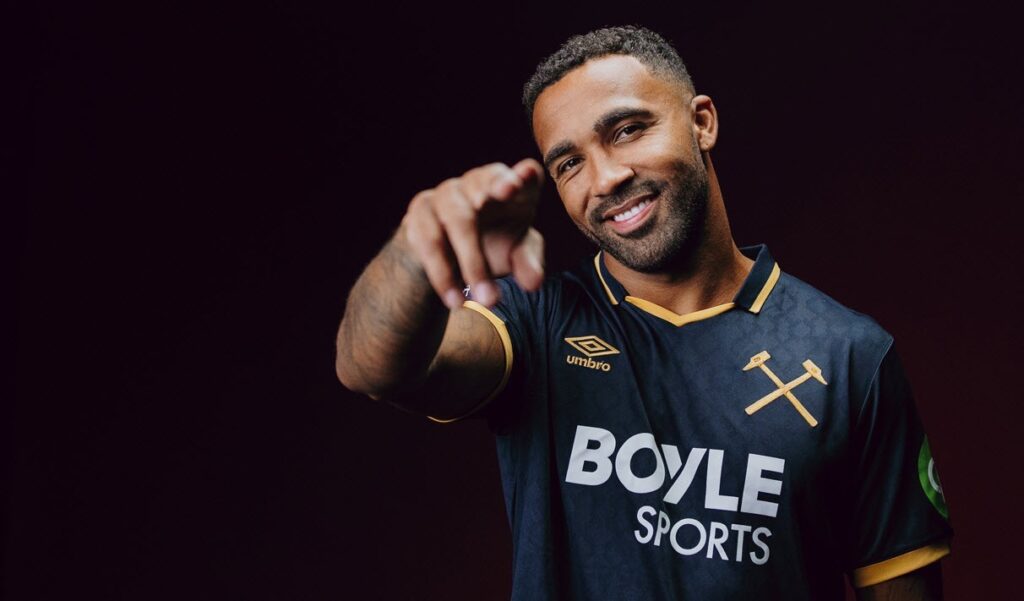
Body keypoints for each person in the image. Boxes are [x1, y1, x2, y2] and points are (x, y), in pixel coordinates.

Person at [335, 25, 952, 600]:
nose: (605, 178)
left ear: (702, 122)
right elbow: (371, 369)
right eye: (569, 163)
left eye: (628, 130)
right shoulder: (533, 322)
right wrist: (416, 249)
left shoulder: (850, 357)